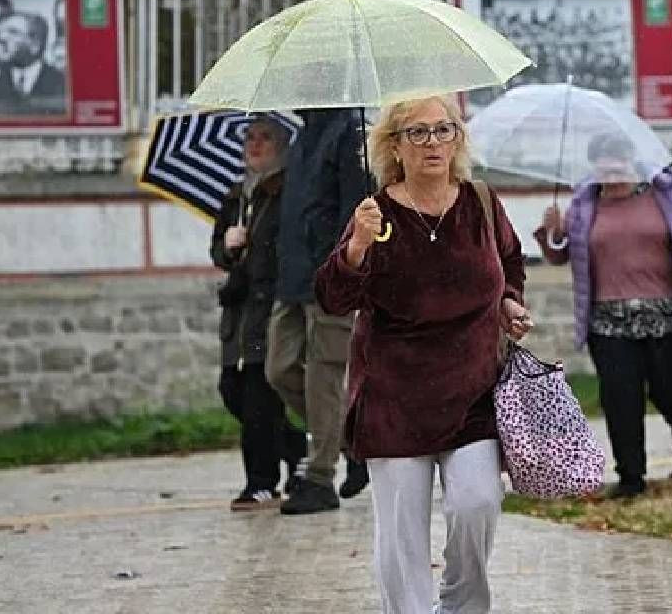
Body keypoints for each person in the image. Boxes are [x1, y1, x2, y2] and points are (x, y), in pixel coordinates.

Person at [314, 95, 531, 614]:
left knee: (478, 503)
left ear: (457, 138)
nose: (432, 142)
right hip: (394, 399)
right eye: (417, 132)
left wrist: (510, 302)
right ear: (394, 144)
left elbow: (510, 261)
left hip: (473, 392)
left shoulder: (480, 201)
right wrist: (356, 249)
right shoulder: (375, 214)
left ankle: (460, 607)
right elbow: (332, 297)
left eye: (443, 130)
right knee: (401, 537)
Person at [534, 133, 672, 499]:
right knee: (621, 400)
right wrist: (552, 232)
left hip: (669, 321)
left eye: (619, 161)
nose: (612, 170)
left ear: (633, 162)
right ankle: (631, 476)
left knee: (669, 394)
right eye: (604, 162)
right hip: (608, 325)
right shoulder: (584, 206)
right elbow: (560, 256)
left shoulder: (665, 200)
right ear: (594, 168)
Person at [267, 107, 371, 515]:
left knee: (324, 375)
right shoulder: (301, 138)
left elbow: (354, 212)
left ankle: (320, 476)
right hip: (290, 276)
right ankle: (351, 443)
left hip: (330, 275)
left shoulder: (349, 135)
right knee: (279, 368)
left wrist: (342, 265)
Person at [210, 113, 308, 510]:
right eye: (249, 137)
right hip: (238, 314)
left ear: (282, 146)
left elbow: (288, 251)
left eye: (264, 137)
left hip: (270, 312)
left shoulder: (288, 195)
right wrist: (229, 245)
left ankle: (260, 482)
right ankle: (295, 444)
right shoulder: (236, 197)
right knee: (231, 390)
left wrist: (258, 253)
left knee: (258, 398)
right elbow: (218, 250)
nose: (254, 144)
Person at [0, 11, 67, 116]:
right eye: (2, 31)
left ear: (35, 45)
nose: (2, 37)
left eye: (13, 32)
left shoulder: (63, 85)